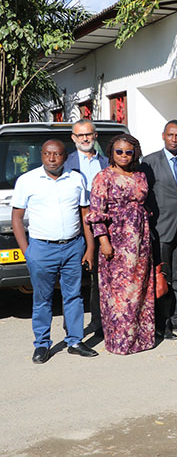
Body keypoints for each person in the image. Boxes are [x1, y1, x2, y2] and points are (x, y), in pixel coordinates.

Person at [12, 139, 98, 363]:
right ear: (41, 155)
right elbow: (17, 219)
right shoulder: (27, 181)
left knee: (74, 296)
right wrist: (27, 251)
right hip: (41, 248)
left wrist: (89, 247)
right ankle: (42, 344)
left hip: (72, 247)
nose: (52, 158)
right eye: (47, 154)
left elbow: (85, 216)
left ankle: (75, 340)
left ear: (64, 156)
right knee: (42, 299)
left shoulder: (76, 179)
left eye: (57, 154)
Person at [86, 134, 155, 355]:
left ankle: (141, 339)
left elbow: (145, 206)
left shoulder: (140, 176)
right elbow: (96, 213)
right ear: (111, 153)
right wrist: (103, 242)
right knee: (119, 295)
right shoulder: (103, 177)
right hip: (116, 241)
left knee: (140, 290)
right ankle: (120, 342)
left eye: (128, 151)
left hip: (141, 242)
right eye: (119, 151)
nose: (124, 155)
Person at [141, 120, 177, 339]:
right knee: (162, 278)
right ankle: (161, 324)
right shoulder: (150, 162)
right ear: (163, 136)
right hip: (162, 228)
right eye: (171, 135)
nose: (175, 140)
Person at [64, 119, 109, 338]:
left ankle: (98, 323)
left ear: (95, 136)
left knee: (99, 279)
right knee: (72, 280)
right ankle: (71, 328)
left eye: (88, 134)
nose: (84, 138)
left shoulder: (108, 163)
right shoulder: (65, 163)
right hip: (74, 228)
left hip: (102, 228)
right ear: (73, 138)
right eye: (80, 135)